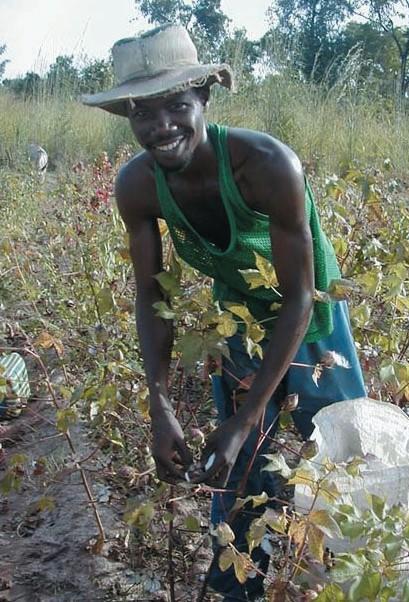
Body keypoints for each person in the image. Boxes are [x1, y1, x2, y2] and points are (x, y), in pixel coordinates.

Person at [82, 24, 366, 601]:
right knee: (234, 466)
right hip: (235, 315)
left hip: (308, 315)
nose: (161, 127)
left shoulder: (266, 165)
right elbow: (150, 295)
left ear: (205, 98)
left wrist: (245, 417)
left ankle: (348, 577)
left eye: (176, 106)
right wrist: (159, 403)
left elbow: (300, 297)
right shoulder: (137, 185)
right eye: (142, 114)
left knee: (339, 452)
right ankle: (238, 582)